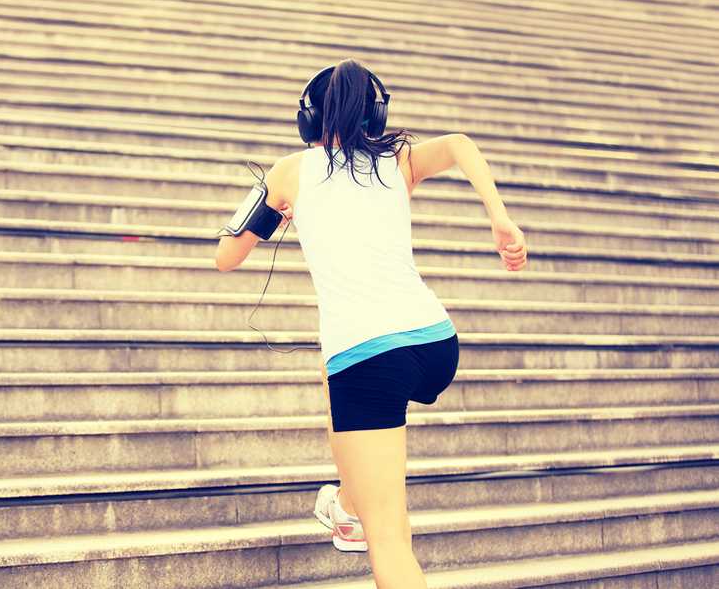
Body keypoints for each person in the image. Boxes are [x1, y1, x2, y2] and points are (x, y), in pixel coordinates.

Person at [215, 58, 527, 588]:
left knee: (389, 541)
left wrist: (275, 209)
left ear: (309, 120)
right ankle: (347, 500)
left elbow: (226, 256)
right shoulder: (397, 160)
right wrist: (500, 219)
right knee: (331, 377)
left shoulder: (288, 172)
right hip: (435, 343)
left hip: (368, 360)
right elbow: (459, 144)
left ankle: (354, 506)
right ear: (375, 115)